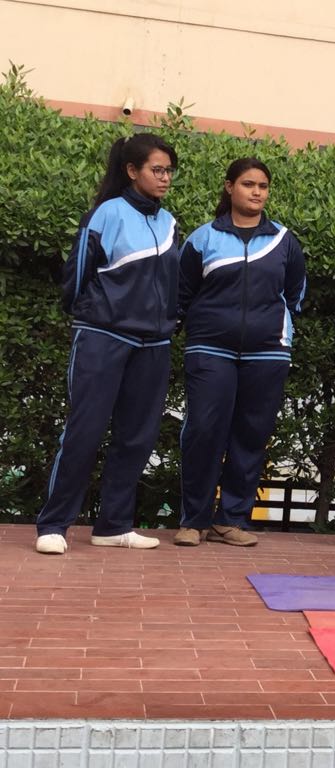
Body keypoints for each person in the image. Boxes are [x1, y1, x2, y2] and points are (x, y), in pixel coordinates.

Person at [35, 133, 180, 554]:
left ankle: (113, 525)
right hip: (103, 335)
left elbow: (174, 282)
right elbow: (77, 273)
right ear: (132, 171)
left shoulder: (169, 222)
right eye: (157, 169)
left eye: (169, 170)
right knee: (86, 429)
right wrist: (90, 314)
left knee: (137, 436)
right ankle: (54, 525)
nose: (165, 178)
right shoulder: (106, 214)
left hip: (153, 343)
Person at [175, 158, 307, 547]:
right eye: (248, 184)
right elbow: (182, 294)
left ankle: (230, 520)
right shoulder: (202, 238)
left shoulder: (284, 240)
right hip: (209, 348)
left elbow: (295, 294)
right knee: (203, 432)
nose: (256, 192)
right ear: (229, 186)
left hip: (267, 352)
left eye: (263, 186)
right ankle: (193, 522)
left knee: (251, 435)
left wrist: (272, 325)